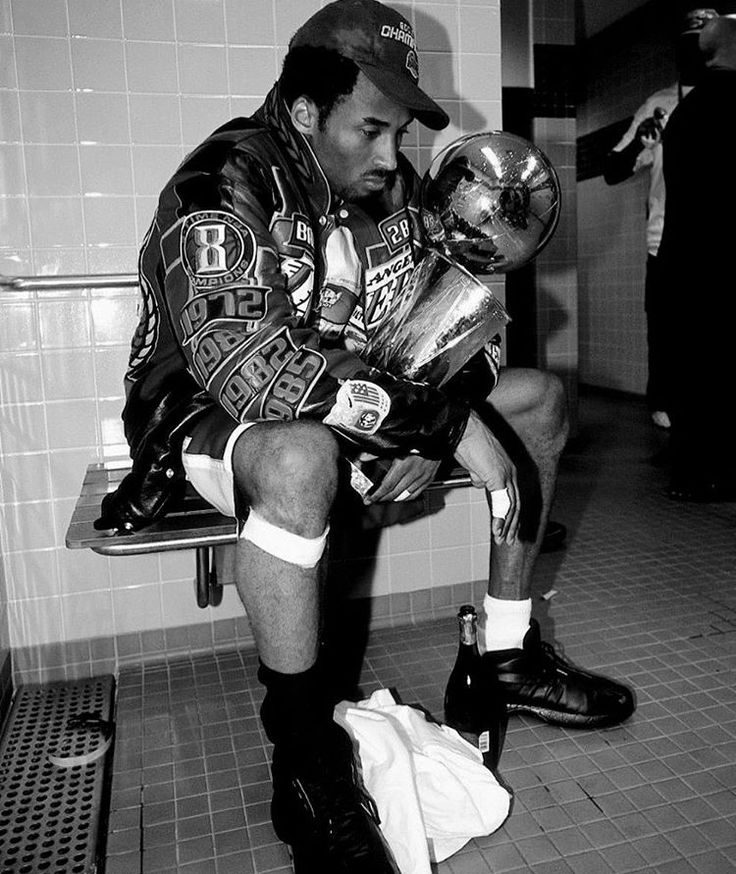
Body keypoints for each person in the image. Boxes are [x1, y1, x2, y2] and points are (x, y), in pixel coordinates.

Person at [96, 1, 634, 869]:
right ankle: (306, 763)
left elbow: (446, 324)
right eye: (373, 130)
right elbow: (252, 370)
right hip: (204, 417)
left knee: (538, 398)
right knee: (303, 453)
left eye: (398, 133)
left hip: (368, 399)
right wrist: (436, 419)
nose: (393, 159)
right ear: (307, 113)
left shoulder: (383, 190)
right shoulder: (218, 188)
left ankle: (501, 652)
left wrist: (436, 408)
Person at [603, 7, 718, 431]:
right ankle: (671, 421)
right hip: (667, 241)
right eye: (692, 45)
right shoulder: (661, 104)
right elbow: (614, 168)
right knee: (670, 335)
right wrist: (644, 141)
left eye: (708, 44)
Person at [658, 12, 736, 501]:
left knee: (695, 366)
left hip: (685, 259)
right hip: (722, 261)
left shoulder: (689, 112)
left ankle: (692, 471)